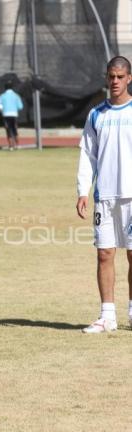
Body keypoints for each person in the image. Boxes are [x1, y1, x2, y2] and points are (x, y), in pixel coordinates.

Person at [76, 55, 132, 333]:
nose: (115, 81)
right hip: (105, 197)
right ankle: (107, 316)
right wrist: (83, 190)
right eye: (111, 76)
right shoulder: (97, 114)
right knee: (104, 254)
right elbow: (88, 155)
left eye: (120, 77)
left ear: (129, 78)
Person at [0, 80, 23, 151]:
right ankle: (17, 145)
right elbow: (20, 106)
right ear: (12, 88)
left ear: (5, 88)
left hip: (6, 115)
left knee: (8, 130)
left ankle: (11, 146)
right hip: (14, 115)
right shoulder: (16, 96)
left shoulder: (2, 96)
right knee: (15, 130)